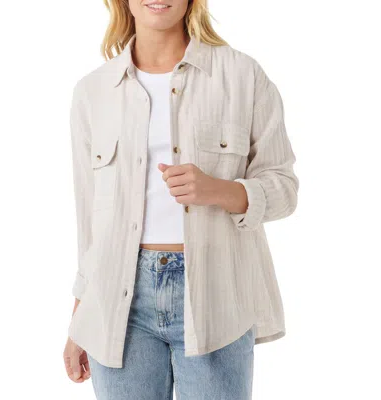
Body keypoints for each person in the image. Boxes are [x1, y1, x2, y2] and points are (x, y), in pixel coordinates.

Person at [63, 0, 299, 399]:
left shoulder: (242, 76)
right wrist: (80, 320)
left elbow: (285, 189)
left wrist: (219, 190)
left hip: (217, 295)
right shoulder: (93, 91)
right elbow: (90, 222)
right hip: (116, 303)